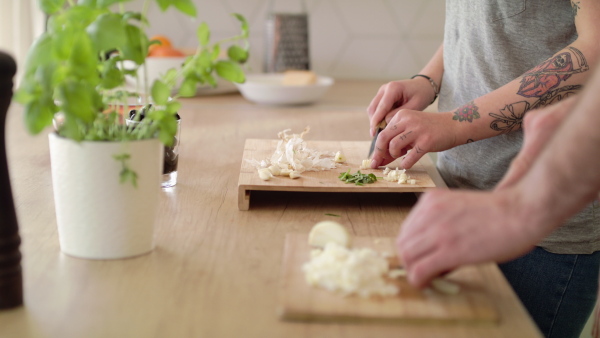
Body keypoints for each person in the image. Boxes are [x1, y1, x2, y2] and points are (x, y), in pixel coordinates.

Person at [366, 1, 600, 337]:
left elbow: (595, 48)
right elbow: (480, 21)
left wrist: (456, 124)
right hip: (460, 198)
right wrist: (428, 80)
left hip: (541, 235)